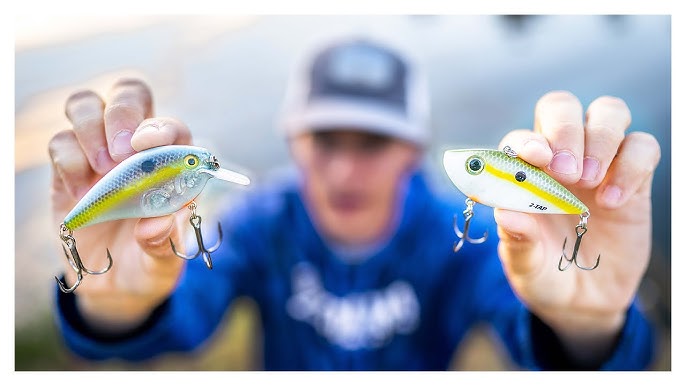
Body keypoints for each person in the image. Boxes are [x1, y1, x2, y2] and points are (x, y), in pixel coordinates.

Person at [49, 36, 661, 370]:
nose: (344, 168)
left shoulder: (465, 235)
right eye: (325, 138)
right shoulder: (262, 225)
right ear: (293, 140)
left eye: (372, 141)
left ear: (412, 151)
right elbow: (180, 324)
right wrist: (118, 305)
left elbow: (530, 333)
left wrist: (588, 325)